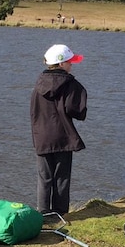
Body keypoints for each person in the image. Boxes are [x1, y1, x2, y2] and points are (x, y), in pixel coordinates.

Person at [30, 44, 88, 217]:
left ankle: (43, 213)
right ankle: (60, 213)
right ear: (61, 64)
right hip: (63, 136)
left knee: (44, 178)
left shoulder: (38, 83)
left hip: (41, 136)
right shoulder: (71, 84)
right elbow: (77, 111)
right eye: (70, 62)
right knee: (61, 177)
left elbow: (33, 112)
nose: (72, 65)